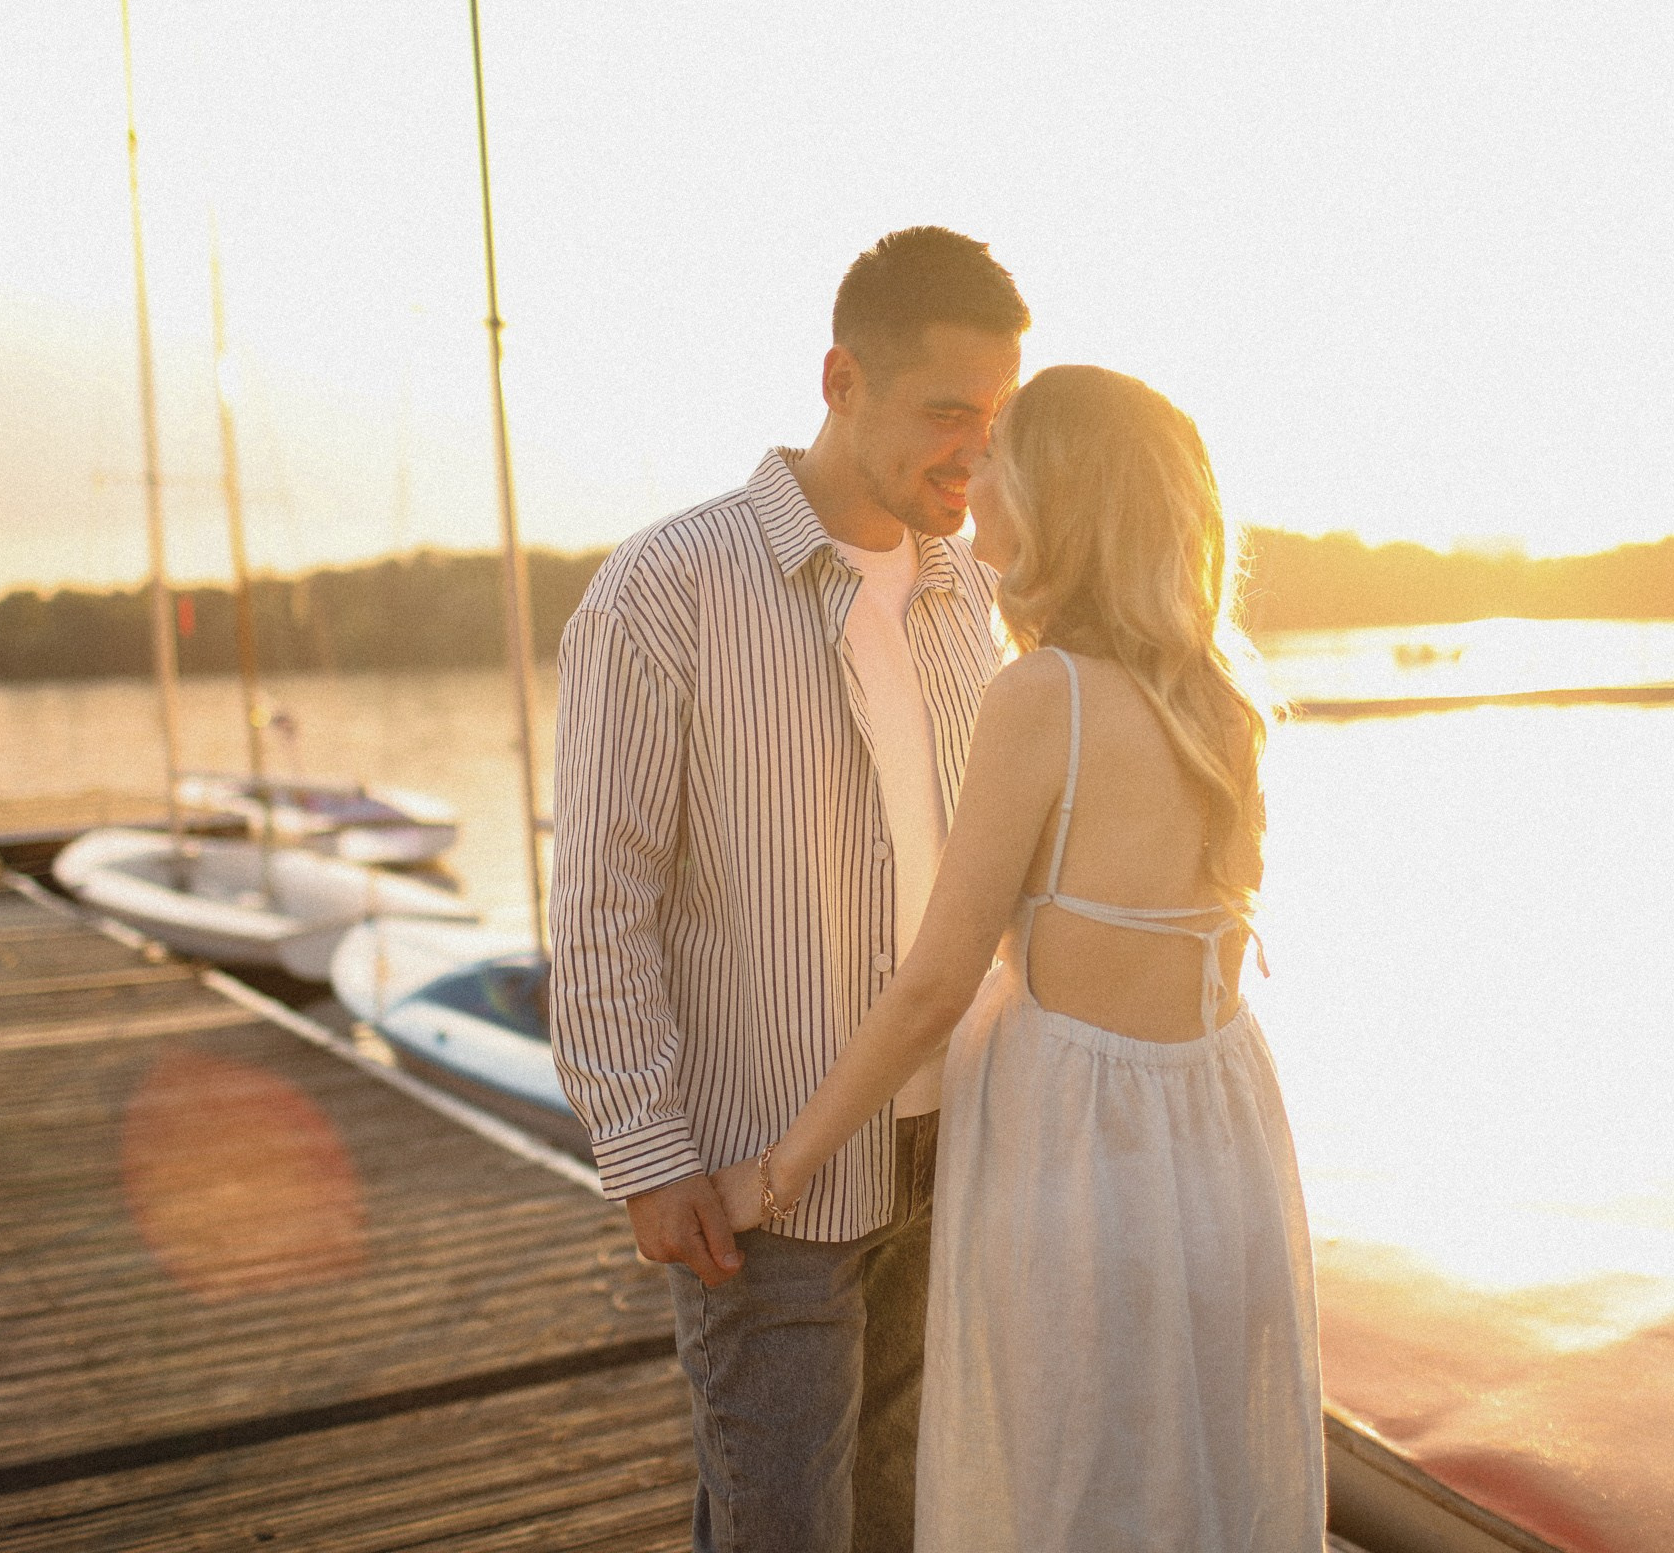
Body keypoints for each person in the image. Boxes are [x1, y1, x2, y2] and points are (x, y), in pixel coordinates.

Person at [716, 365, 1327, 1550]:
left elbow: (936, 985)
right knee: (1194, 1474)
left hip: (1081, 1152)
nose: (972, 476)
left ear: (1054, 496)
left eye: (998, 456)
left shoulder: (1042, 696)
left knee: (1070, 1481)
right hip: (1219, 1133)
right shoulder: (1227, 700)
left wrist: (780, 1170)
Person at [548, 227, 1028, 1553]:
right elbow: (600, 902)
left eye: (994, 419)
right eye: (946, 412)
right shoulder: (664, 591)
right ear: (840, 379)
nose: (974, 454)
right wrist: (646, 1154)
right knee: (785, 1531)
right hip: (769, 1175)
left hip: (957, 1154)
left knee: (904, 1519)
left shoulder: (975, 600)